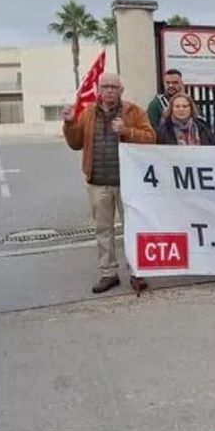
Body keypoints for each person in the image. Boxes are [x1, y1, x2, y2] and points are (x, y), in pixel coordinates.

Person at [62, 73, 156, 294]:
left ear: (121, 90)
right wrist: (68, 124)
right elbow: (76, 143)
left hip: (129, 183)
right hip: (98, 182)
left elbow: (151, 137)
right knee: (103, 229)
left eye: (114, 87)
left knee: (133, 228)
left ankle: (137, 271)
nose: (110, 90)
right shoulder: (87, 113)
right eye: (105, 87)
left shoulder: (134, 111)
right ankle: (108, 273)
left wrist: (127, 131)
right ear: (98, 90)